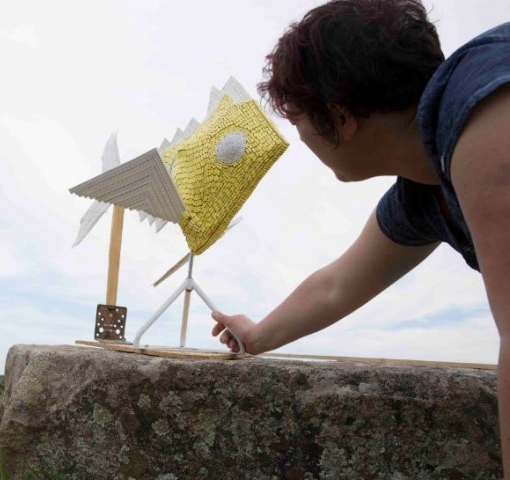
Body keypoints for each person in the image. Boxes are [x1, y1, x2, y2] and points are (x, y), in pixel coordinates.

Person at [209, 0, 510, 473]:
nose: (301, 137)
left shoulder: (485, 106)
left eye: (297, 120)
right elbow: (337, 286)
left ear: (339, 117)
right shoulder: (427, 187)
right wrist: (257, 335)